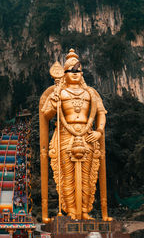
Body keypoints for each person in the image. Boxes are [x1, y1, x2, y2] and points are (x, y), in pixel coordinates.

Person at [40, 49, 112, 222]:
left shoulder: (91, 93)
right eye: (70, 71)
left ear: (82, 73)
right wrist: (54, 102)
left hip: (87, 134)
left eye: (77, 71)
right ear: (64, 73)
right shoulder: (59, 92)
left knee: (88, 175)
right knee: (67, 175)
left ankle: (85, 210)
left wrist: (98, 131)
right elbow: (46, 114)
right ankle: (71, 211)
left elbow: (101, 113)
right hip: (66, 134)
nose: (74, 74)